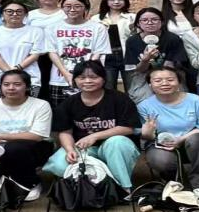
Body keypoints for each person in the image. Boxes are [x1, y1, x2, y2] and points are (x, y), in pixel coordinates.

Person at [42, 61, 141, 190]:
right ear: (75, 80)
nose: (87, 81)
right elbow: (65, 132)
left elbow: (128, 128)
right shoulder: (69, 103)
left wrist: (94, 136)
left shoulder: (119, 99)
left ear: (103, 78)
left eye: (93, 77)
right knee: (59, 164)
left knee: (117, 143)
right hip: (84, 149)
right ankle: (88, 188)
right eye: (82, 77)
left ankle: (123, 188)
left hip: (114, 146)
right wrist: (70, 149)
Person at [0, 70, 53, 201]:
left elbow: (38, 135)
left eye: (17, 84)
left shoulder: (41, 105)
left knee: (14, 148)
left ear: (27, 87)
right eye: (6, 84)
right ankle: (9, 178)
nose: (11, 88)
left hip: (33, 148)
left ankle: (31, 183)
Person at [138, 67, 199, 198]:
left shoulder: (195, 100)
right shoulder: (144, 106)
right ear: (150, 85)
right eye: (158, 80)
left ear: (179, 82)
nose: (164, 83)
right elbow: (147, 136)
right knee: (161, 159)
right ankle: (175, 181)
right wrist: (146, 134)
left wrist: (180, 139)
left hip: (190, 141)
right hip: (161, 145)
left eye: (170, 79)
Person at [44, 0, 111, 106]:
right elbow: (52, 52)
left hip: (88, 80)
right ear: (62, 7)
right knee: (61, 112)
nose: (72, 9)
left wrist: (84, 75)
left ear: (85, 7)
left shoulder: (98, 28)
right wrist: (66, 74)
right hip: (59, 79)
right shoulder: (52, 28)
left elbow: (98, 53)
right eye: (68, 6)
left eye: (77, 6)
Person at [124, 7, 198, 102]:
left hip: (169, 73)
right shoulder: (132, 41)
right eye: (144, 20)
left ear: (162, 22)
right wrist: (145, 60)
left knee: (175, 96)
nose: (150, 23)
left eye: (154, 19)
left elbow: (171, 66)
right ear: (138, 23)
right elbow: (138, 69)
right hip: (143, 75)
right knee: (143, 97)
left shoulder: (172, 38)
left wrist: (160, 82)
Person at [0, 0, 44, 100]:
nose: (14, 14)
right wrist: (10, 74)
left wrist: (16, 70)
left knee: (27, 108)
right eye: (9, 11)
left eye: (19, 11)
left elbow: (35, 55)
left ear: (25, 14)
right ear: (2, 14)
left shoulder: (36, 31)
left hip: (29, 78)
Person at [97, 0, 135, 92]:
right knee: (108, 89)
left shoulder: (132, 17)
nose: (116, 2)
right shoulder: (97, 19)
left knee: (132, 89)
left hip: (128, 56)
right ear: (106, 1)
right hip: (107, 57)